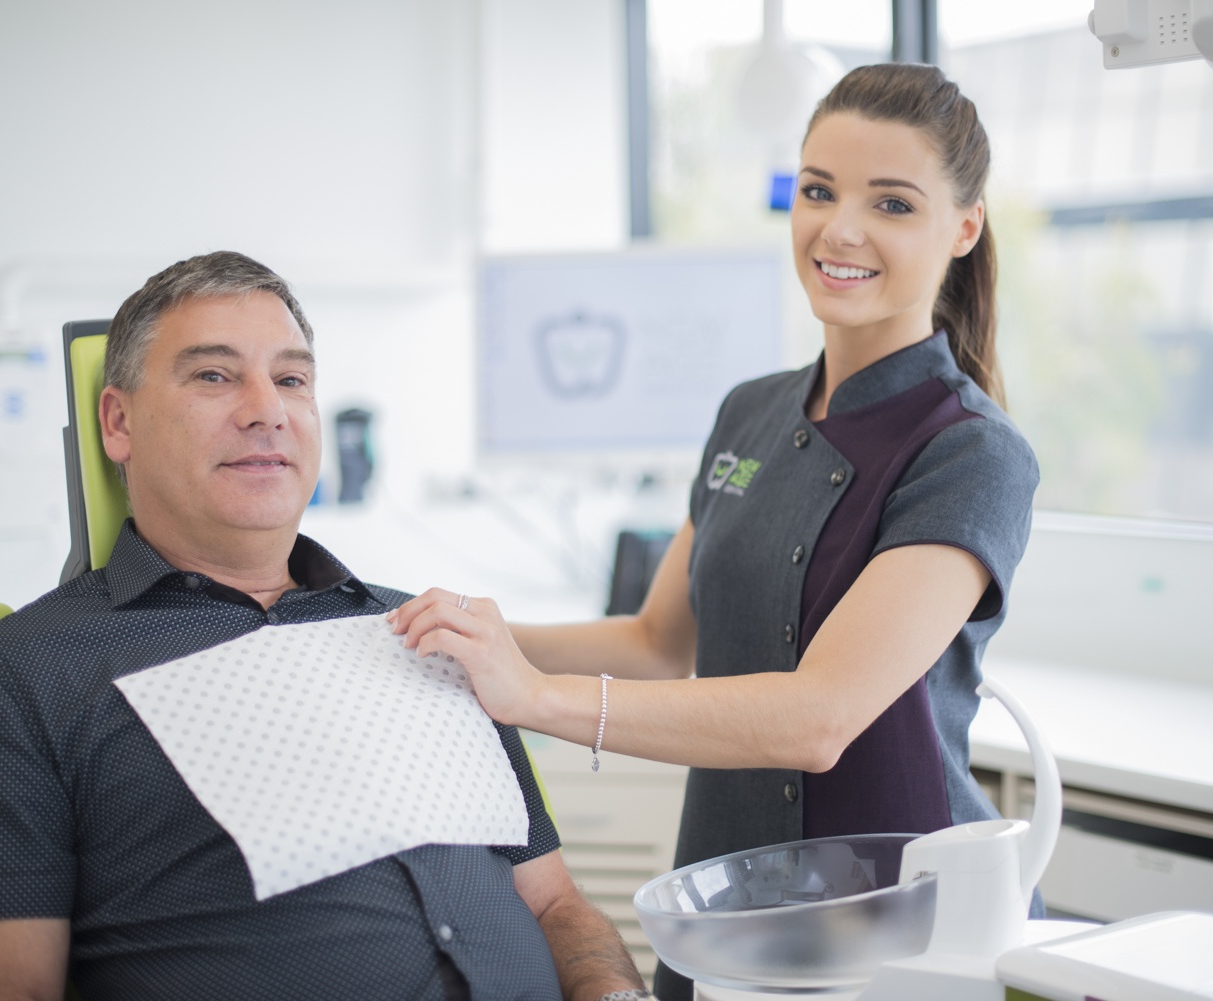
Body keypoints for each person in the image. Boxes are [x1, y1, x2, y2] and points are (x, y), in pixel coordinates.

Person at [389, 64, 1039, 1000]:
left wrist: (534, 696)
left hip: (897, 929)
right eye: (818, 191)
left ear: (964, 226)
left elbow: (819, 717)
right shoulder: (750, 412)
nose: (839, 229)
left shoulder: (972, 452)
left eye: (891, 203)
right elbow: (658, 644)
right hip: (725, 900)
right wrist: (449, 634)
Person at [0, 251, 649, 1001]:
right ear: (119, 420)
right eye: (214, 375)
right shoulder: (15, 680)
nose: (268, 409)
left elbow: (555, 904)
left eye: (292, 379)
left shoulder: (433, 637)